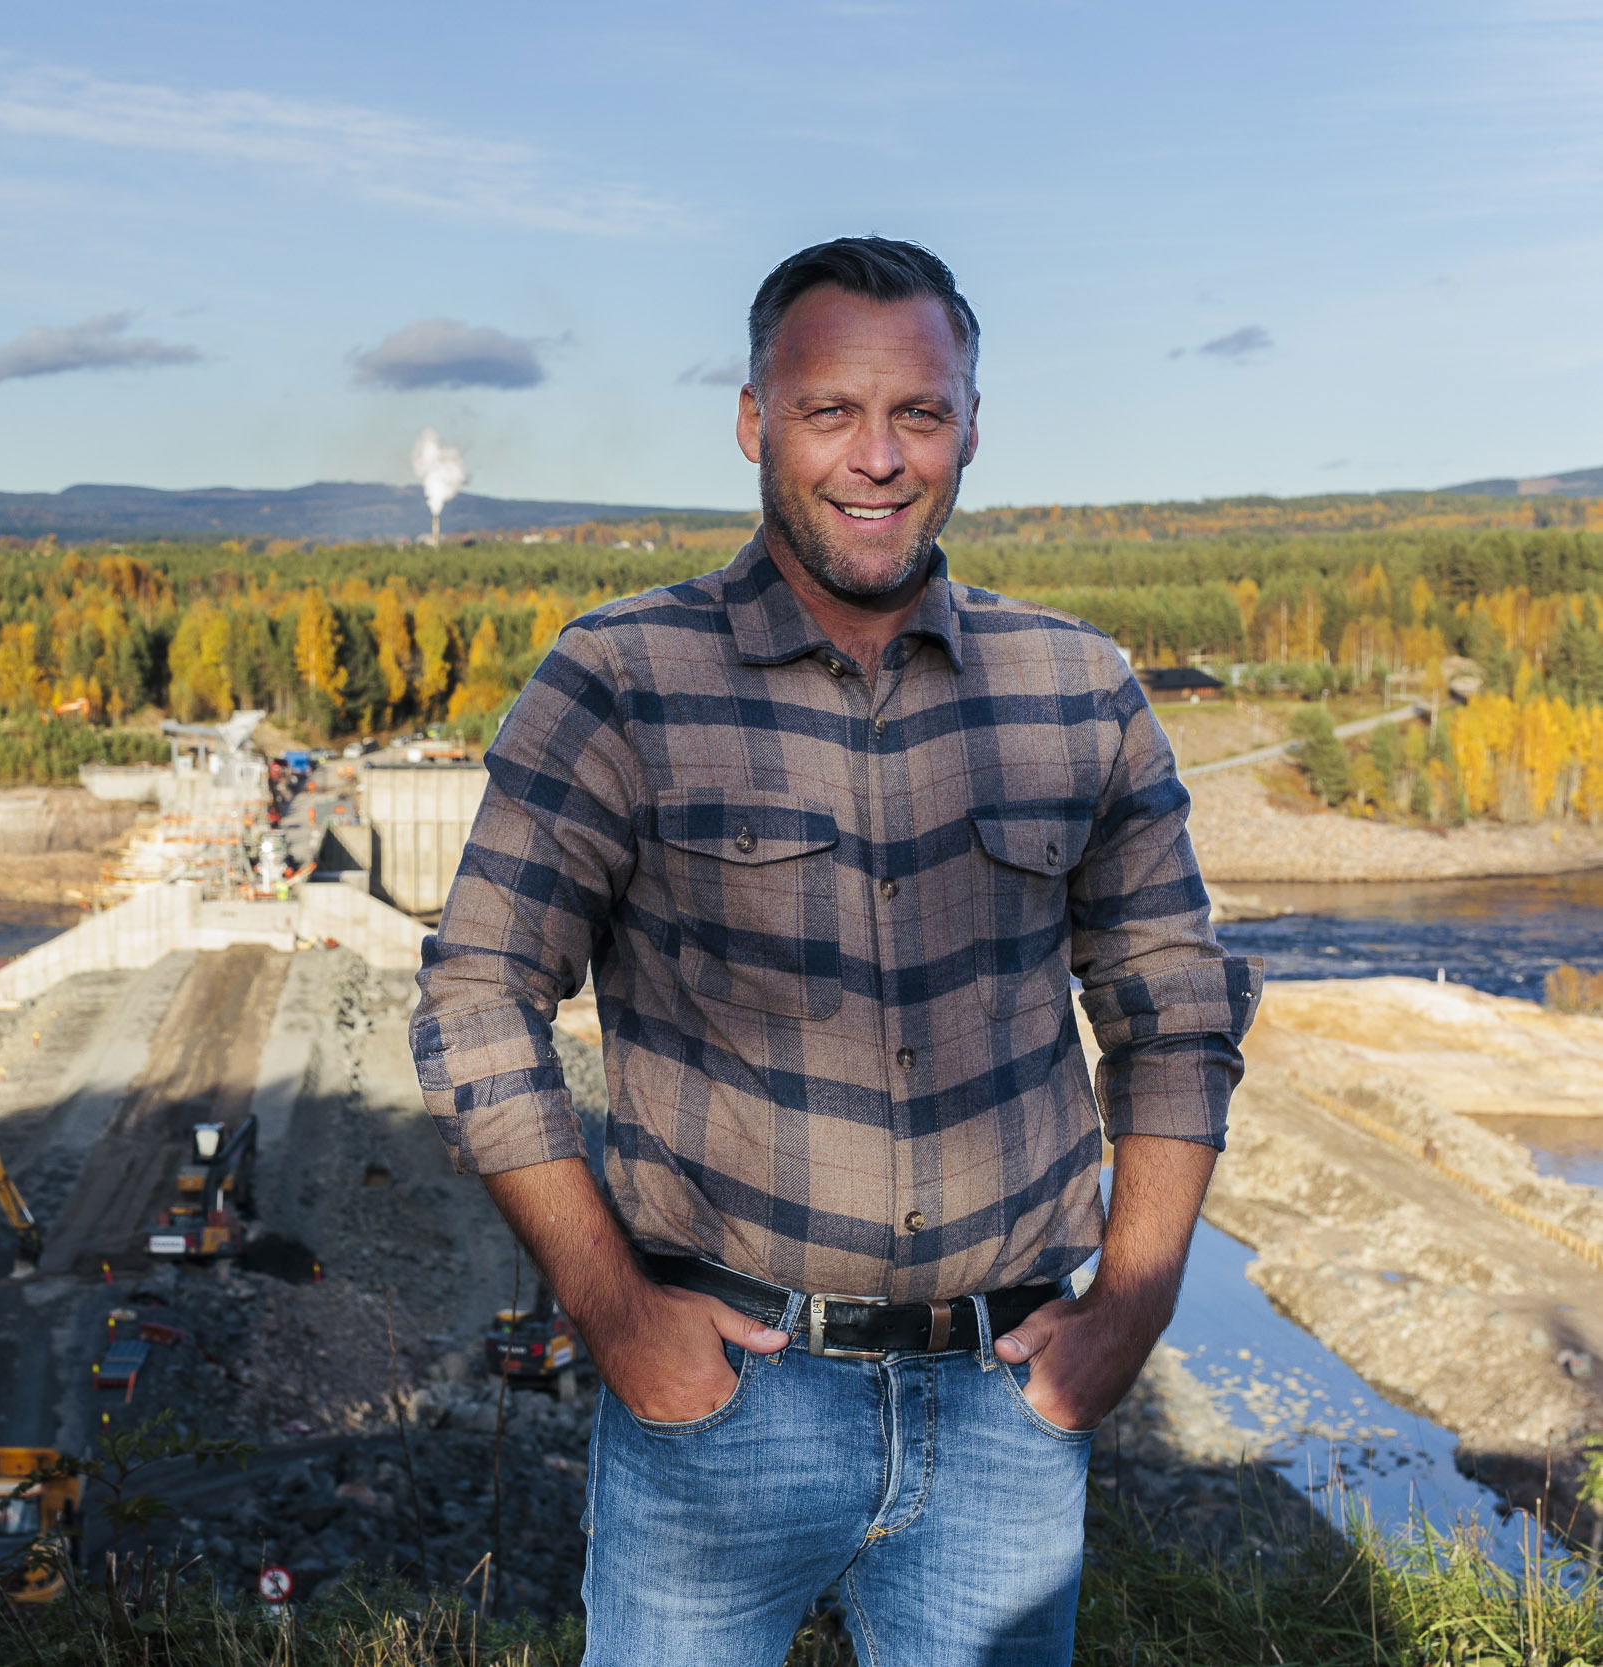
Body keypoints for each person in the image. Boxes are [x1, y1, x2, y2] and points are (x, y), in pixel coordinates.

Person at [410, 237, 1260, 1666]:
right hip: (726, 1405)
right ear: (754, 424)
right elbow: (477, 997)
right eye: (828, 414)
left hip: (1005, 1406)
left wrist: (1132, 1307)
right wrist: (617, 1317)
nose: (878, 458)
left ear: (971, 426)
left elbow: (1175, 1011)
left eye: (919, 414)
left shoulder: (1077, 691)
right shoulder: (622, 681)